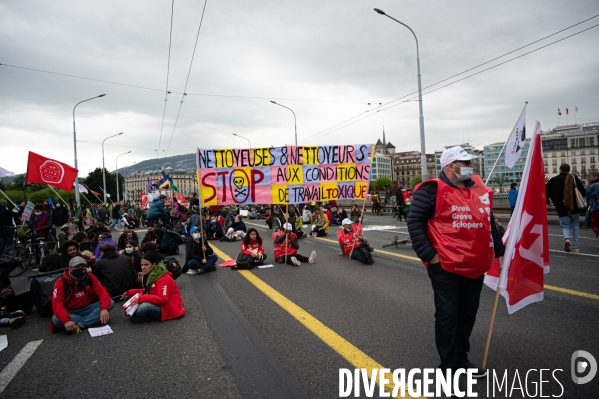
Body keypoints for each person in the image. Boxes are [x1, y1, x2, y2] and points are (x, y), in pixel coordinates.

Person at [407, 145, 505, 384]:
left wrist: (499, 251)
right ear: (450, 166)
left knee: (467, 314)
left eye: (471, 163)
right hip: (445, 266)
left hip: (475, 265)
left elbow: (488, 222)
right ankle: (448, 366)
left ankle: (462, 358)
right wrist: (430, 256)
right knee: (448, 315)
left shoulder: (479, 190)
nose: (471, 167)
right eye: (465, 163)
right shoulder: (431, 190)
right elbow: (415, 222)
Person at [51, 256, 114, 333]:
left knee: (110, 302)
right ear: (70, 268)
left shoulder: (89, 277)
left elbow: (102, 292)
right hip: (70, 312)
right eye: (77, 267)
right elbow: (57, 303)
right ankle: (92, 320)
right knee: (56, 320)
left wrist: (104, 309)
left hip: (87, 308)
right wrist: (66, 320)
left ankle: (82, 324)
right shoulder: (61, 282)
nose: (80, 269)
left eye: (83, 266)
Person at [121, 252, 185, 323]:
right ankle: (147, 316)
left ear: (154, 264)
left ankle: (149, 317)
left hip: (171, 308)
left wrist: (142, 298)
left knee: (143, 307)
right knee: (129, 309)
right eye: (141, 265)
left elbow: (163, 299)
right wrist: (130, 292)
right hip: (161, 304)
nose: (143, 267)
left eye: (146, 265)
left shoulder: (163, 278)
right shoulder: (153, 275)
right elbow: (149, 290)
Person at [546, 164, 586, 253]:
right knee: (575, 226)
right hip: (574, 206)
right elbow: (583, 191)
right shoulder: (574, 178)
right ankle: (575, 247)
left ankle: (567, 239)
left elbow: (546, 190)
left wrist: (548, 201)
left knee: (565, 226)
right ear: (569, 170)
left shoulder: (554, 180)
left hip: (561, 206)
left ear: (560, 169)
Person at [584, 171, 599, 248]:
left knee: (594, 223)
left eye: (591, 177)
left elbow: (586, 193)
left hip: (596, 208)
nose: (590, 179)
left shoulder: (594, 186)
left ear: (596, 177)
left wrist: (587, 185)